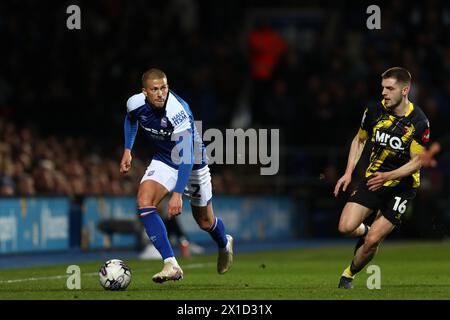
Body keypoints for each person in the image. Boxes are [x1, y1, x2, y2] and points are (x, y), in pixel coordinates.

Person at [120, 68, 233, 283]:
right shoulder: (135, 103)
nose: (161, 93)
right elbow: (130, 119)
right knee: (144, 200)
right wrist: (128, 149)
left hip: (193, 163)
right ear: (145, 92)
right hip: (164, 158)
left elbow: (187, 158)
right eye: (155, 89)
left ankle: (223, 242)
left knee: (204, 221)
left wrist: (178, 193)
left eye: (164, 87)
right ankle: (171, 263)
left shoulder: (178, 111)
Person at [333, 67, 430, 289]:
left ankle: (349, 274)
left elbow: (417, 162)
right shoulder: (374, 111)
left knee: (373, 241)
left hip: (402, 187)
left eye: (390, 88)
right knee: (345, 227)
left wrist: (389, 175)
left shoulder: (419, 122)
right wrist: (348, 172)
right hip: (374, 180)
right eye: (382, 87)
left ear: (404, 90)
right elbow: (359, 140)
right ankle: (366, 230)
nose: (384, 92)